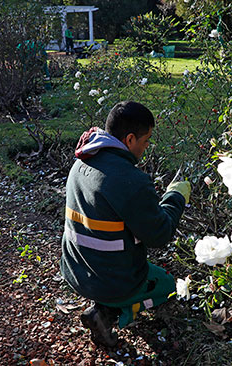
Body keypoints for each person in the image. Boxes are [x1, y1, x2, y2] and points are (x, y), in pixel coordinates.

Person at [60, 101, 191, 347]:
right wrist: (176, 197)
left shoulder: (83, 159)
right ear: (130, 139)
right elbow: (160, 235)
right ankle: (109, 314)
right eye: (146, 140)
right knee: (168, 286)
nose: (147, 147)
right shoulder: (129, 179)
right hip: (113, 280)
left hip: (74, 268)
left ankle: (104, 306)